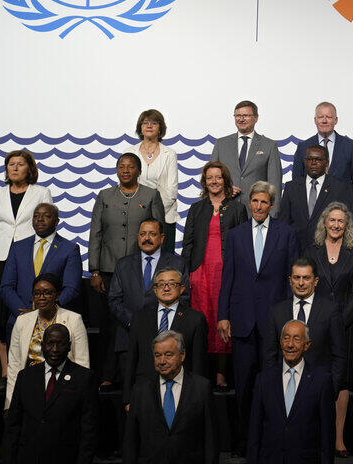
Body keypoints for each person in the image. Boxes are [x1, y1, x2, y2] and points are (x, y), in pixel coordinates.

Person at [218, 180, 298, 436]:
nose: (259, 206)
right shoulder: (235, 235)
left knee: (272, 386)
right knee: (243, 386)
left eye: (264, 202)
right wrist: (223, 316)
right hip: (242, 321)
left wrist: (290, 317)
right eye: (255, 201)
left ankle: (271, 438)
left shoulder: (286, 233)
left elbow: (291, 279)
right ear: (249, 202)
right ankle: (244, 440)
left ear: (271, 205)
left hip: (274, 323)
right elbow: (228, 278)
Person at [0, 149, 54, 388]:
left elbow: (47, 225)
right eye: (11, 164)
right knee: (0, 319)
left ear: (29, 168)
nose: (15, 168)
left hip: (28, 257)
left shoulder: (41, 192)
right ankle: (5, 373)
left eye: (20, 164)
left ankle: (32, 367)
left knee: (26, 311)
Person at [87, 152, 165, 385]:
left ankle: (140, 372)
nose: (125, 170)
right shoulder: (104, 195)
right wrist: (94, 270)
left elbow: (160, 232)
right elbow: (95, 232)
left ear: (139, 171)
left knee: (137, 321)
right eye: (121, 166)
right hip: (108, 269)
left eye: (130, 167)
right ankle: (108, 375)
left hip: (139, 270)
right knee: (109, 324)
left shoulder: (151, 195)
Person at [1, 324, 97, 464]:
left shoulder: (84, 378)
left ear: (69, 346)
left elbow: (89, 430)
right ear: (42, 345)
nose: (54, 349)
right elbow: (13, 426)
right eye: (50, 343)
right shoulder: (25, 377)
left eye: (60, 344)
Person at [122, 330, 218, 464]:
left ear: (182, 355)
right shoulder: (140, 391)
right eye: (157, 355)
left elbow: (211, 437)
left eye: (168, 355)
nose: (162, 361)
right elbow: (131, 440)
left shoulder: (201, 387)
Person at [182, 160, 248, 389]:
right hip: (199, 273)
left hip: (225, 272)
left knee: (223, 319)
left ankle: (221, 373)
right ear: (204, 182)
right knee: (202, 321)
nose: (214, 181)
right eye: (209, 178)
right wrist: (186, 274)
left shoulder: (238, 208)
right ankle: (200, 373)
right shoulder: (196, 209)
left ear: (225, 180)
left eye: (218, 177)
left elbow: (244, 245)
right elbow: (188, 244)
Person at [247, 319, 335, 464]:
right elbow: (254, 430)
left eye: (296, 339)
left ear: (307, 345)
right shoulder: (264, 379)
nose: (290, 345)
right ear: (280, 342)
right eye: (286, 338)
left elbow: (327, 434)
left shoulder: (322, 380)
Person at [304, 202, 353, 456]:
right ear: (324, 222)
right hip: (317, 324)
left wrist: (339, 322)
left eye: (341, 221)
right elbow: (306, 284)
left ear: (346, 225)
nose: (336, 225)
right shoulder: (312, 249)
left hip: (346, 326)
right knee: (316, 378)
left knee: (342, 381)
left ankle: (338, 439)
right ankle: (315, 437)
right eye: (332, 220)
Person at [108, 218, 189, 386]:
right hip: (129, 339)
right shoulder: (123, 264)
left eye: (152, 234)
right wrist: (134, 322)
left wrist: (159, 323)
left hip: (166, 338)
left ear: (162, 238)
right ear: (138, 237)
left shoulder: (177, 263)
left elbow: (184, 297)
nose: (147, 238)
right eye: (143, 234)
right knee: (132, 394)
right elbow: (114, 299)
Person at [124, 268, 207, 408]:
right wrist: (128, 398)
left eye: (172, 284)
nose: (166, 288)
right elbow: (132, 358)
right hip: (145, 391)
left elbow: (199, 363)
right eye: (161, 284)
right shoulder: (139, 317)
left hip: (182, 392)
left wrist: (197, 397)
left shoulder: (195, 319)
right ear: (155, 289)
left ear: (181, 289)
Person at [5, 273, 89, 409]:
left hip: (63, 387)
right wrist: (9, 404)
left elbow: (82, 362)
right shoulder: (22, 321)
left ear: (57, 295)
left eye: (47, 293)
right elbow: (14, 364)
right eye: (37, 293)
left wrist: (80, 401)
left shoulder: (74, 320)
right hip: (30, 388)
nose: (41, 297)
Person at [265, 259, 346, 394]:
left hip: (319, 389)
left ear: (316, 281)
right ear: (290, 281)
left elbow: (339, 355)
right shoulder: (276, 312)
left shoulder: (330, 311)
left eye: (306, 278)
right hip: (283, 387)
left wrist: (331, 390)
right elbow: (269, 355)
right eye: (297, 278)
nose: (301, 283)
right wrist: (272, 389)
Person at [0, 203, 81, 334]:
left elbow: (72, 288)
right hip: (20, 319)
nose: (40, 219)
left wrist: (48, 311)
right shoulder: (17, 247)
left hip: (55, 322)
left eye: (46, 216)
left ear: (56, 222)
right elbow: (6, 287)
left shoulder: (69, 249)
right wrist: (23, 313)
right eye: (36, 216)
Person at [209, 100, 284, 210]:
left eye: (246, 115)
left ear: (256, 118)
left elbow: (275, 184)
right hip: (225, 208)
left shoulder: (269, 145)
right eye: (238, 116)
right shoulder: (221, 144)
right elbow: (210, 177)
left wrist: (273, 214)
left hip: (256, 211)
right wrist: (225, 190)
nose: (241, 119)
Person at [278, 144, 353, 250]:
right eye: (309, 159)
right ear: (304, 161)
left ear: (326, 163)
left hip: (326, 250)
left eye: (318, 159)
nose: (313, 163)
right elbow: (283, 222)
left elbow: (346, 222)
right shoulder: (291, 187)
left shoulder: (339, 188)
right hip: (296, 249)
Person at [125, 109, 180, 252]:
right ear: (140, 128)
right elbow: (125, 186)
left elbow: (171, 190)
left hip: (165, 217)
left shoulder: (170, 154)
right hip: (135, 217)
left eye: (154, 123)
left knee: (164, 261)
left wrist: (155, 215)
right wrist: (141, 214)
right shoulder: (129, 152)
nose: (149, 126)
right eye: (145, 123)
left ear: (160, 128)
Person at [292, 101, 353, 205]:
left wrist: (347, 206)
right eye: (320, 117)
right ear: (315, 120)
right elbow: (297, 181)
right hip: (310, 209)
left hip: (341, 211)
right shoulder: (303, 147)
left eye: (329, 117)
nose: (324, 121)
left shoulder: (350, 146)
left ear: (336, 120)